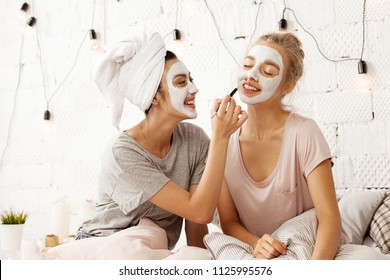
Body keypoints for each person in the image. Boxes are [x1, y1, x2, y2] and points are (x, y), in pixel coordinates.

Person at [76, 29, 247, 251]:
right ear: (154, 96)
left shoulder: (194, 140)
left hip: (151, 252)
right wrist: (221, 138)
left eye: (191, 79)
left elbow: (197, 223)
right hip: (104, 247)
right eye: (180, 82)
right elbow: (200, 210)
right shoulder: (122, 153)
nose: (194, 89)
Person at [217, 32, 341, 260]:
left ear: (288, 86)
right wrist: (258, 244)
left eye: (268, 71)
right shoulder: (223, 141)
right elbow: (229, 222)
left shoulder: (305, 132)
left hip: (311, 250)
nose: (251, 75)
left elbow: (329, 218)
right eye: (247, 65)